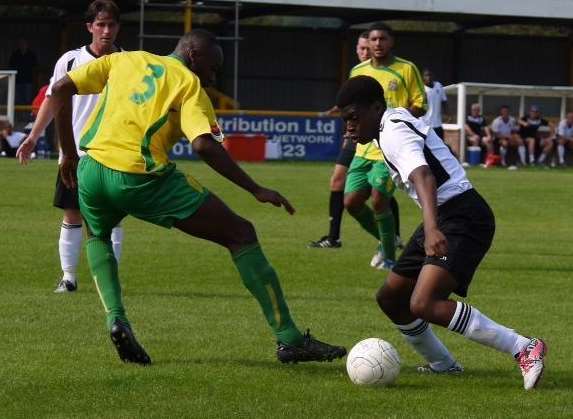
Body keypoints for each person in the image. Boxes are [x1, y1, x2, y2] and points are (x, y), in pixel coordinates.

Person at [46, 29, 346, 365]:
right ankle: (290, 339)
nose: (213, 75)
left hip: (92, 170)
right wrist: (256, 189)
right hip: (140, 176)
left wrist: (69, 153)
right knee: (241, 234)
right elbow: (203, 144)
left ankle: (116, 319)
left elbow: (59, 89)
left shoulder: (125, 58)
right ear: (192, 54)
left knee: (98, 236)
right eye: (212, 66)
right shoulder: (189, 84)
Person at [336, 75, 547, 391]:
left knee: (424, 303)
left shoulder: (391, 130)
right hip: (446, 214)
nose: (349, 127)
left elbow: (424, 176)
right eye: (345, 120)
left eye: (354, 118)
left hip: (462, 217)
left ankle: (523, 347)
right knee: (392, 297)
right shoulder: (389, 122)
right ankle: (444, 365)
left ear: (375, 108)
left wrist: (432, 229)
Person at [17, 0, 124, 293]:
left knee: (111, 219)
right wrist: (33, 136)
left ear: (118, 27)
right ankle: (69, 278)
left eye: (111, 24)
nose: (106, 31)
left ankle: (108, 279)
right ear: (90, 27)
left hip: (115, 156)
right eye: (100, 24)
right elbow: (53, 100)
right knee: (72, 214)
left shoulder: (128, 61)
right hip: (74, 155)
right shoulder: (70, 61)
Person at [343, 22, 426, 270]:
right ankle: (386, 241)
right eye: (374, 40)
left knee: (380, 199)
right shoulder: (357, 70)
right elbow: (350, 106)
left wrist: (393, 124)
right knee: (351, 203)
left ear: (392, 42)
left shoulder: (406, 68)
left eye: (383, 39)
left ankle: (390, 259)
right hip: (362, 149)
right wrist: (351, 129)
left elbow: (420, 104)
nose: (378, 44)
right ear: (367, 43)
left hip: (389, 149)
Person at [308, 31, 369, 249]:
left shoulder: (391, 72)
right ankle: (333, 237)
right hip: (355, 137)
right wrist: (349, 130)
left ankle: (394, 236)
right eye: (360, 48)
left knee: (379, 190)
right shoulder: (356, 71)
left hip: (378, 137)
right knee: (337, 180)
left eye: (367, 48)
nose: (364, 52)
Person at [491, 105, 525, 170]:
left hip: (510, 138)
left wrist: (514, 136)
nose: (505, 113)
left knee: (519, 141)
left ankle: (522, 162)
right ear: (501, 112)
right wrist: (507, 136)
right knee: (505, 143)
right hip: (498, 138)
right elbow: (496, 134)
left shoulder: (512, 120)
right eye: (504, 111)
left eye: (506, 111)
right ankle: (503, 162)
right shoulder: (497, 121)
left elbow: (514, 130)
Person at [9, 39, 38, 105]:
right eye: (21, 43)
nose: (22, 45)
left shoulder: (31, 54)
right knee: (17, 100)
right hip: (17, 80)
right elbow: (10, 65)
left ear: (27, 45)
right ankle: (18, 115)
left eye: (24, 43)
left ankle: (26, 115)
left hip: (28, 80)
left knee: (27, 100)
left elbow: (35, 66)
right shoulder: (15, 54)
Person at [421, 69, 448, 140]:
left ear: (433, 76)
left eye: (430, 75)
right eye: (426, 75)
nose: (428, 77)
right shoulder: (421, 89)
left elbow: (444, 101)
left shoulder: (439, 85)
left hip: (437, 125)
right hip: (425, 125)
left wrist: (446, 113)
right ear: (423, 77)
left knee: (441, 147)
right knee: (426, 149)